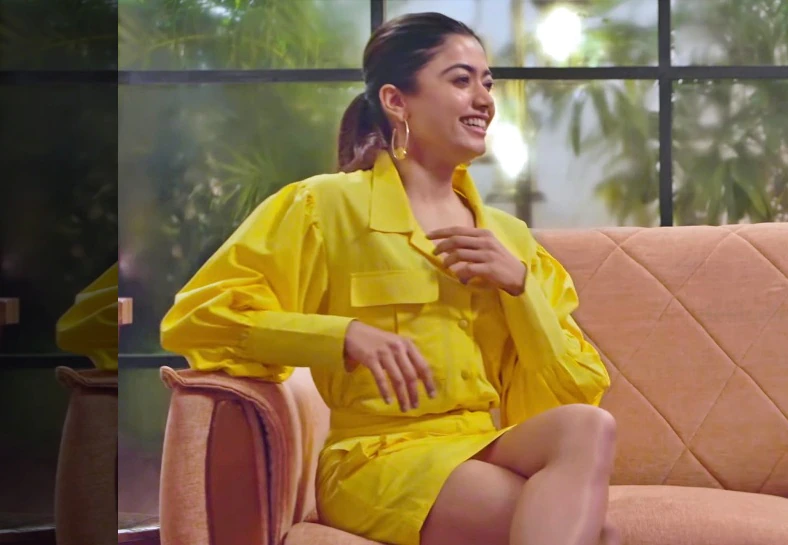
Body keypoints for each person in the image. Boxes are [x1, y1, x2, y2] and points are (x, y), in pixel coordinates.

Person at [160, 12, 617, 545]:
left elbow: (570, 394)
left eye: (488, 83)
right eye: (461, 80)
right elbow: (198, 319)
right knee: (595, 534)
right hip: (375, 458)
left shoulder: (509, 240)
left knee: (589, 426)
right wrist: (343, 337)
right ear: (397, 101)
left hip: (478, 443)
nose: (484, 99)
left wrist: (520, 289)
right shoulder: (324, 206)